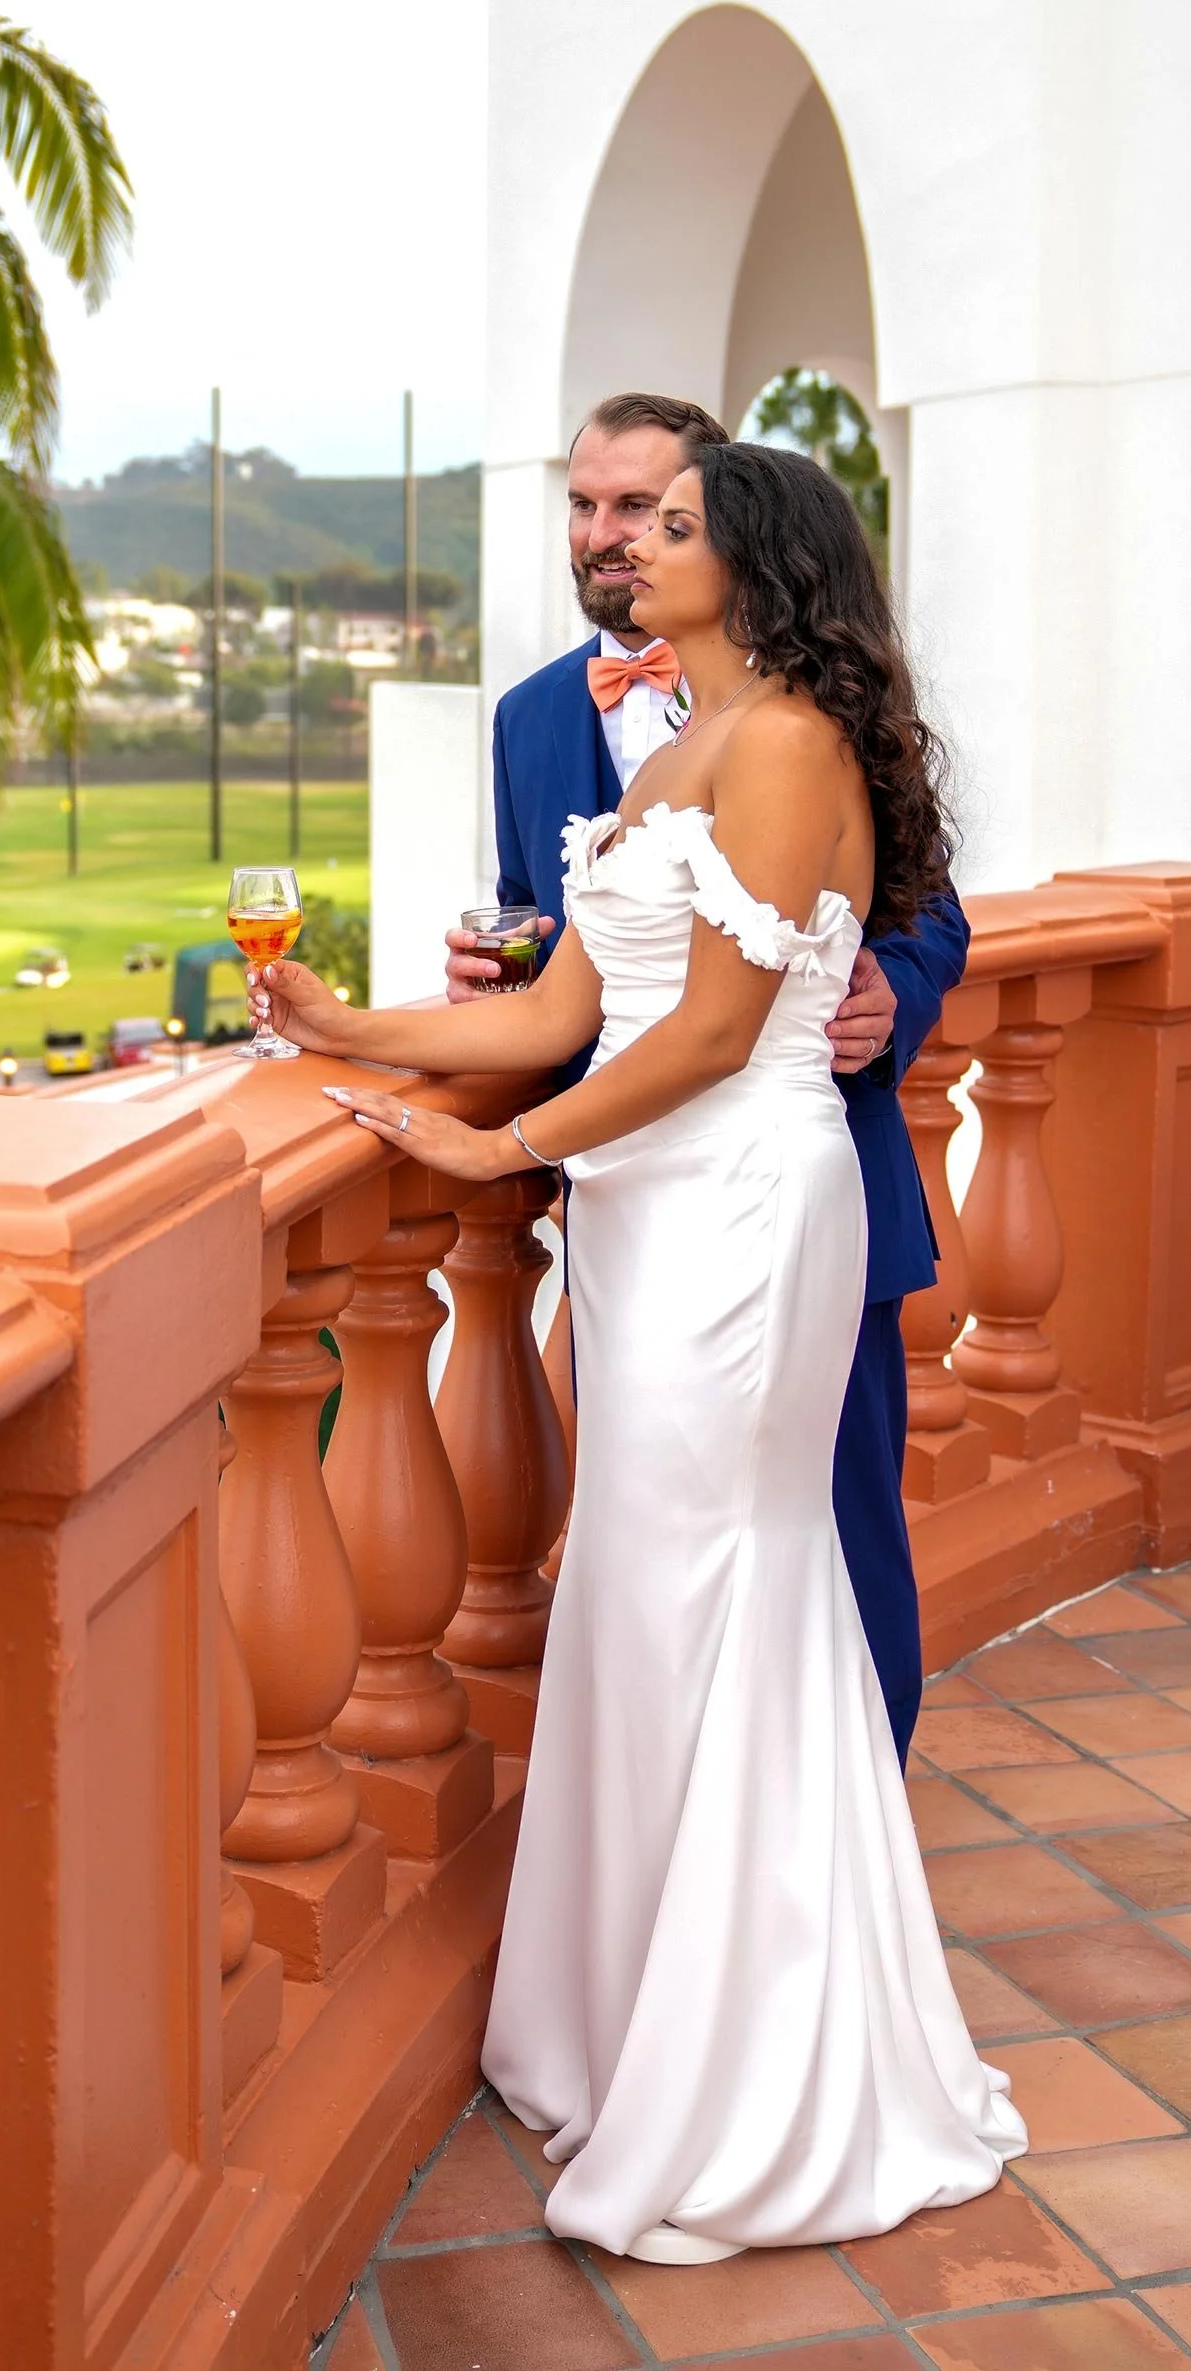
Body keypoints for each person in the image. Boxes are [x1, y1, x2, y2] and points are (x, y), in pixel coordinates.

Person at [266, 434, 1022, 2263]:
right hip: (643, 1225)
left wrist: (495, 1148)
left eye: (673, 526)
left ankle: (758, 2069)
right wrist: (335, 1021)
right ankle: (633, 2021)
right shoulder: (683, 736)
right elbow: (558, 998)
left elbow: (704, 1035)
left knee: (721, 1592)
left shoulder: (777, 742)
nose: (632, 549)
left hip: (743, 1210)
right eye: (630, 523)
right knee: (638, 1590)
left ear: (751, 559)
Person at [447, 390, 966, 1761]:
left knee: (828, 1543)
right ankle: (678, 1879)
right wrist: (492, 977)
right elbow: (555, 937)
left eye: (645, 510)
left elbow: (924, 909)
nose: (607, 537)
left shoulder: (811, 706)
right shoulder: (529, 718)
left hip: (788, 1185)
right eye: (584, 505)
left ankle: (840, 1883)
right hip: (633, 1201)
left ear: (723, 518)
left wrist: (884, 996)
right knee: (658, 1556)